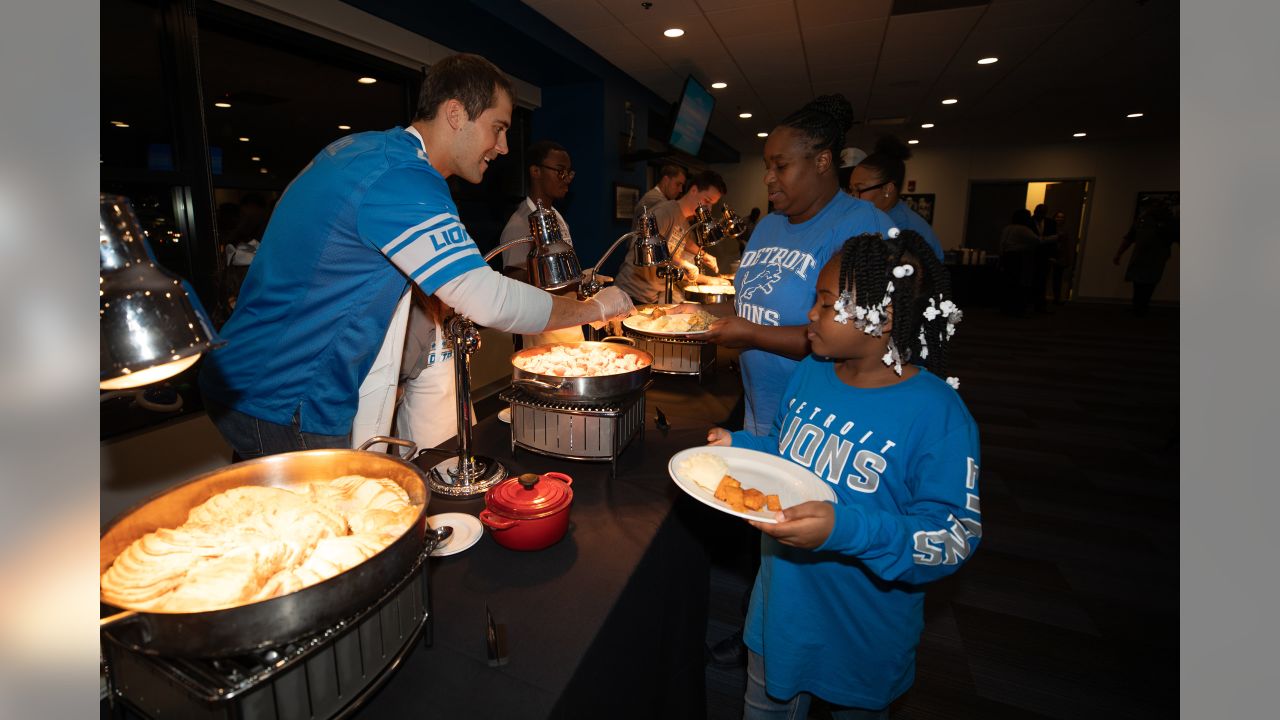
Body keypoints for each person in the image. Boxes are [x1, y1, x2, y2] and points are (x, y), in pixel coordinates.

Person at [199, 53, 634, 459]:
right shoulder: (403, 175)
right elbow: (486, 297)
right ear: (455, 114)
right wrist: (592, 307)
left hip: (250, 379)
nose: (503, 147)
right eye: (498, 128)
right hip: (282, 391)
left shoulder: (370, 153)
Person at [704, 230, 981, 719]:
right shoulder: (811, 372)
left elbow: (952, 536)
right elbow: (783, 452)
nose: (811, 314)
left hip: (863, 635)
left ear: (882, 316)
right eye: (816, 298)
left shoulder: (938, 413)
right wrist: (739, 447)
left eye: (828, 303)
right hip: (780, 614)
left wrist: (844, 528)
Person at [704, 94, 894, 436]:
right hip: (761, 408)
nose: (768, 178)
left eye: (781, 166)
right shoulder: (769, 226)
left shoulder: (863, 225)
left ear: (822, 161)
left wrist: (751, 335)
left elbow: (856, 335)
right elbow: (755, 305)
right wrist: (696, 313)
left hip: (822, 422)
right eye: (766, 166)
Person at [498, 139, 583, 347]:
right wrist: (551, 272)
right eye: (560, 171)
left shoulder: (557, 217)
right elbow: (513, 281)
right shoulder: (519, 224)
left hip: (570, 326)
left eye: (569, 173)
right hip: (544, 336)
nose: (566, 179)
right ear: (536, 171)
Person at [612, 169, 731, 305]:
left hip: (650, 297)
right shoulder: (665, 212)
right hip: (629, 293)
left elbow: (681, 243)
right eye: (707, 201)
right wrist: (682, 263)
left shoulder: (684, 222)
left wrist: (703, 255)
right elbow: (645, 247)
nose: (708, 209)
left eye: (712, 204)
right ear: (693, 190)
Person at [848, 136, 943, 260]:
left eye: (859, 189)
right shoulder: (876, 218)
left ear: (887, 189)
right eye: (851, 189)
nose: (852, 196)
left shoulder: (902, 228)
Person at [1114, 197, 1178, 316]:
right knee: (1138, 281)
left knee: (1148, 282)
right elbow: (1129, 238)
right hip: (1141, 255)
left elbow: (1177, 236)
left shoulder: (1169, 221)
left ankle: (1141, 307)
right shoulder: (1141, 220)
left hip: (1156, 257)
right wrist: (1118, 253)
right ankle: (1138, 307)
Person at [998, 208, 1040, 316]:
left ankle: (1005, 308)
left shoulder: (1007, 228)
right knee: (1018, 282)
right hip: (1017, 258)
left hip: (1007, 256)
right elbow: (1037, 240)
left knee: (1007, 282)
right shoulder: (1023, 229)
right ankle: (1016, 308)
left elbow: (1002, 244)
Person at [1026, 203, 1058, 313]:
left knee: (1041, 280)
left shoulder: (1050, 223)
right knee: (1034, 280)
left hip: (1044, 256)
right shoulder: (1029, 222)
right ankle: (1034, 304)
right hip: (1032, 255)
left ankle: (1038, 304)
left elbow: (1053, 244)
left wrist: (1052, 256)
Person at [1050, 210, 1076, 303]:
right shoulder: (1050, 228)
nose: (1060, 219)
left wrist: (1066, 258)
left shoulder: (1064, 230)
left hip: (1060, 257)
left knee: (1058, 278)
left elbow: (1066, 246)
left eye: (1062, 217)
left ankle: (1056, 297)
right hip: (1050, 255)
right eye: (1058, 217)